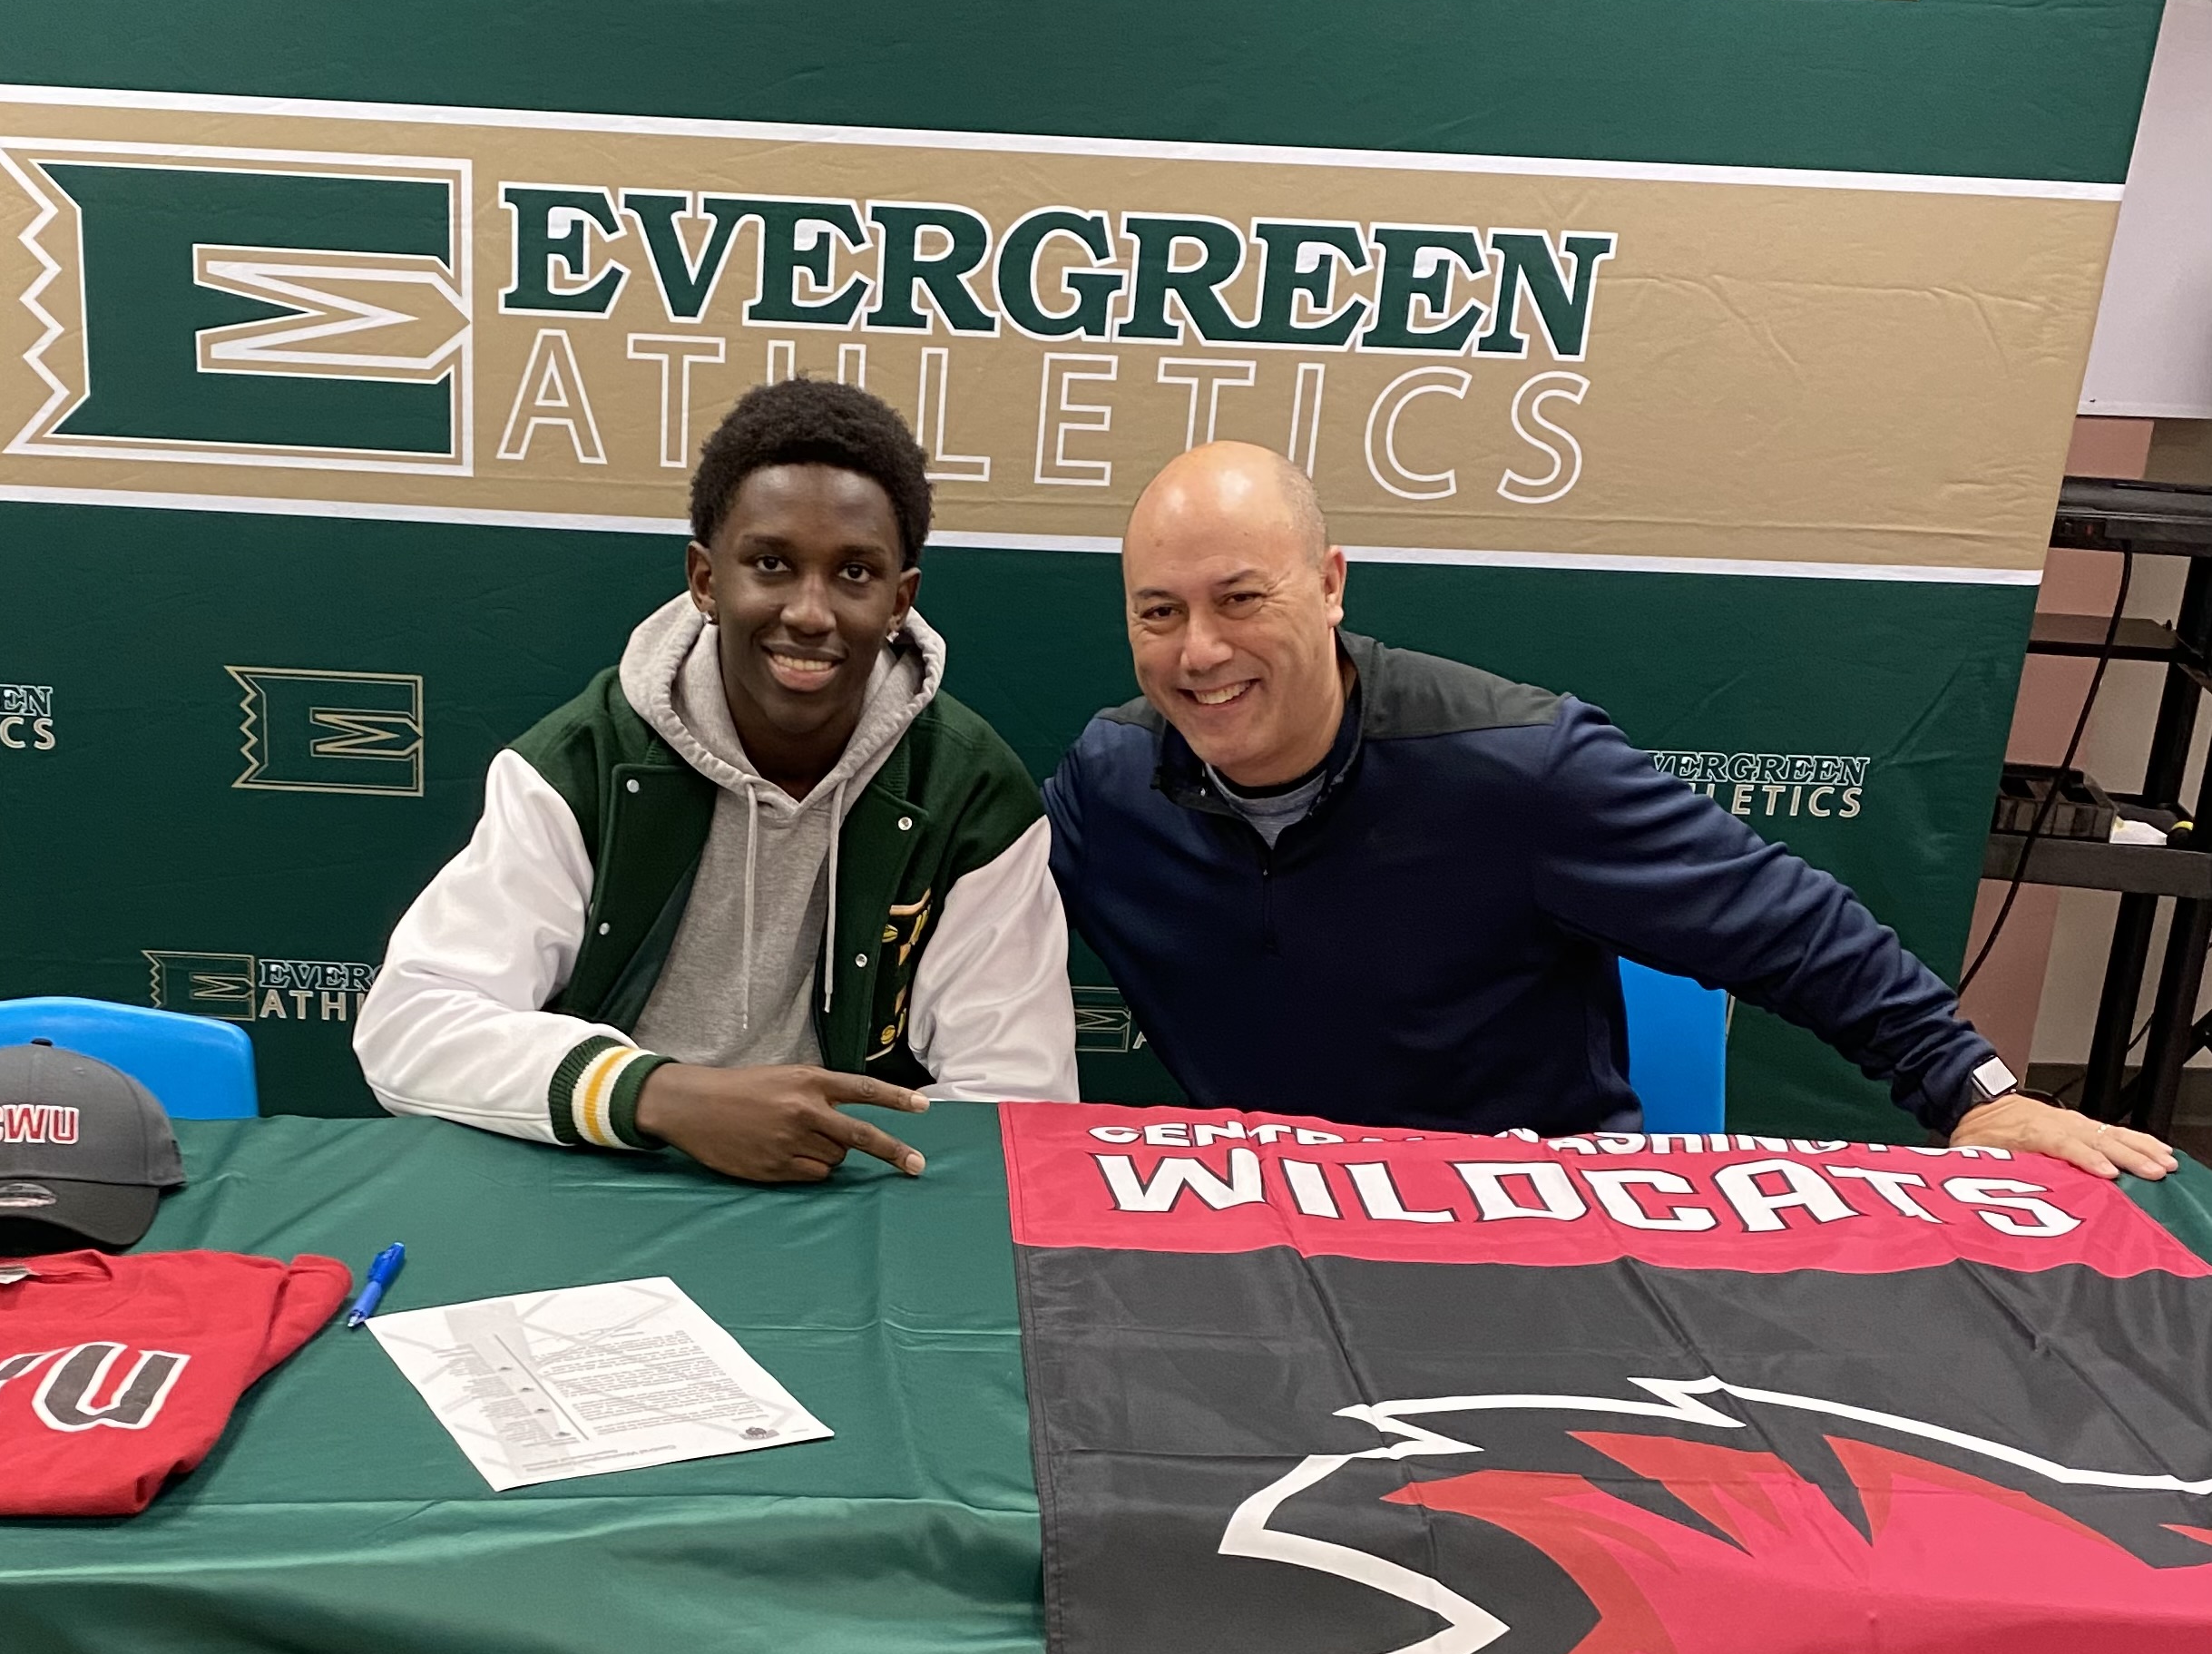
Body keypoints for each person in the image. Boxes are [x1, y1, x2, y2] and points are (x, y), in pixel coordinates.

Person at [1042, 441, 2175, 1179]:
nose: (1200, 651)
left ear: (1332, 583)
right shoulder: (1110, 782)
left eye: (1243, 598)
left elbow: (1789, 924)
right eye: (1159, 612)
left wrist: (1975, 1093)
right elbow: (955, 906)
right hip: (1272, 1229)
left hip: (1540, 1224)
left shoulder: (1517, 766)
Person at [357, 380, 1076, 1182]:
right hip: (614, 1167)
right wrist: (658, 1094)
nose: (810, 611)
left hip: (848, 1192)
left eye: (854, 573)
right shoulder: (585, 761)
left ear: (900, 600)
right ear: (705, 579)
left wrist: (841, 1153)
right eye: (771, 564)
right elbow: (409, 1022)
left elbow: (1022, 1099)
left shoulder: (970, 793)